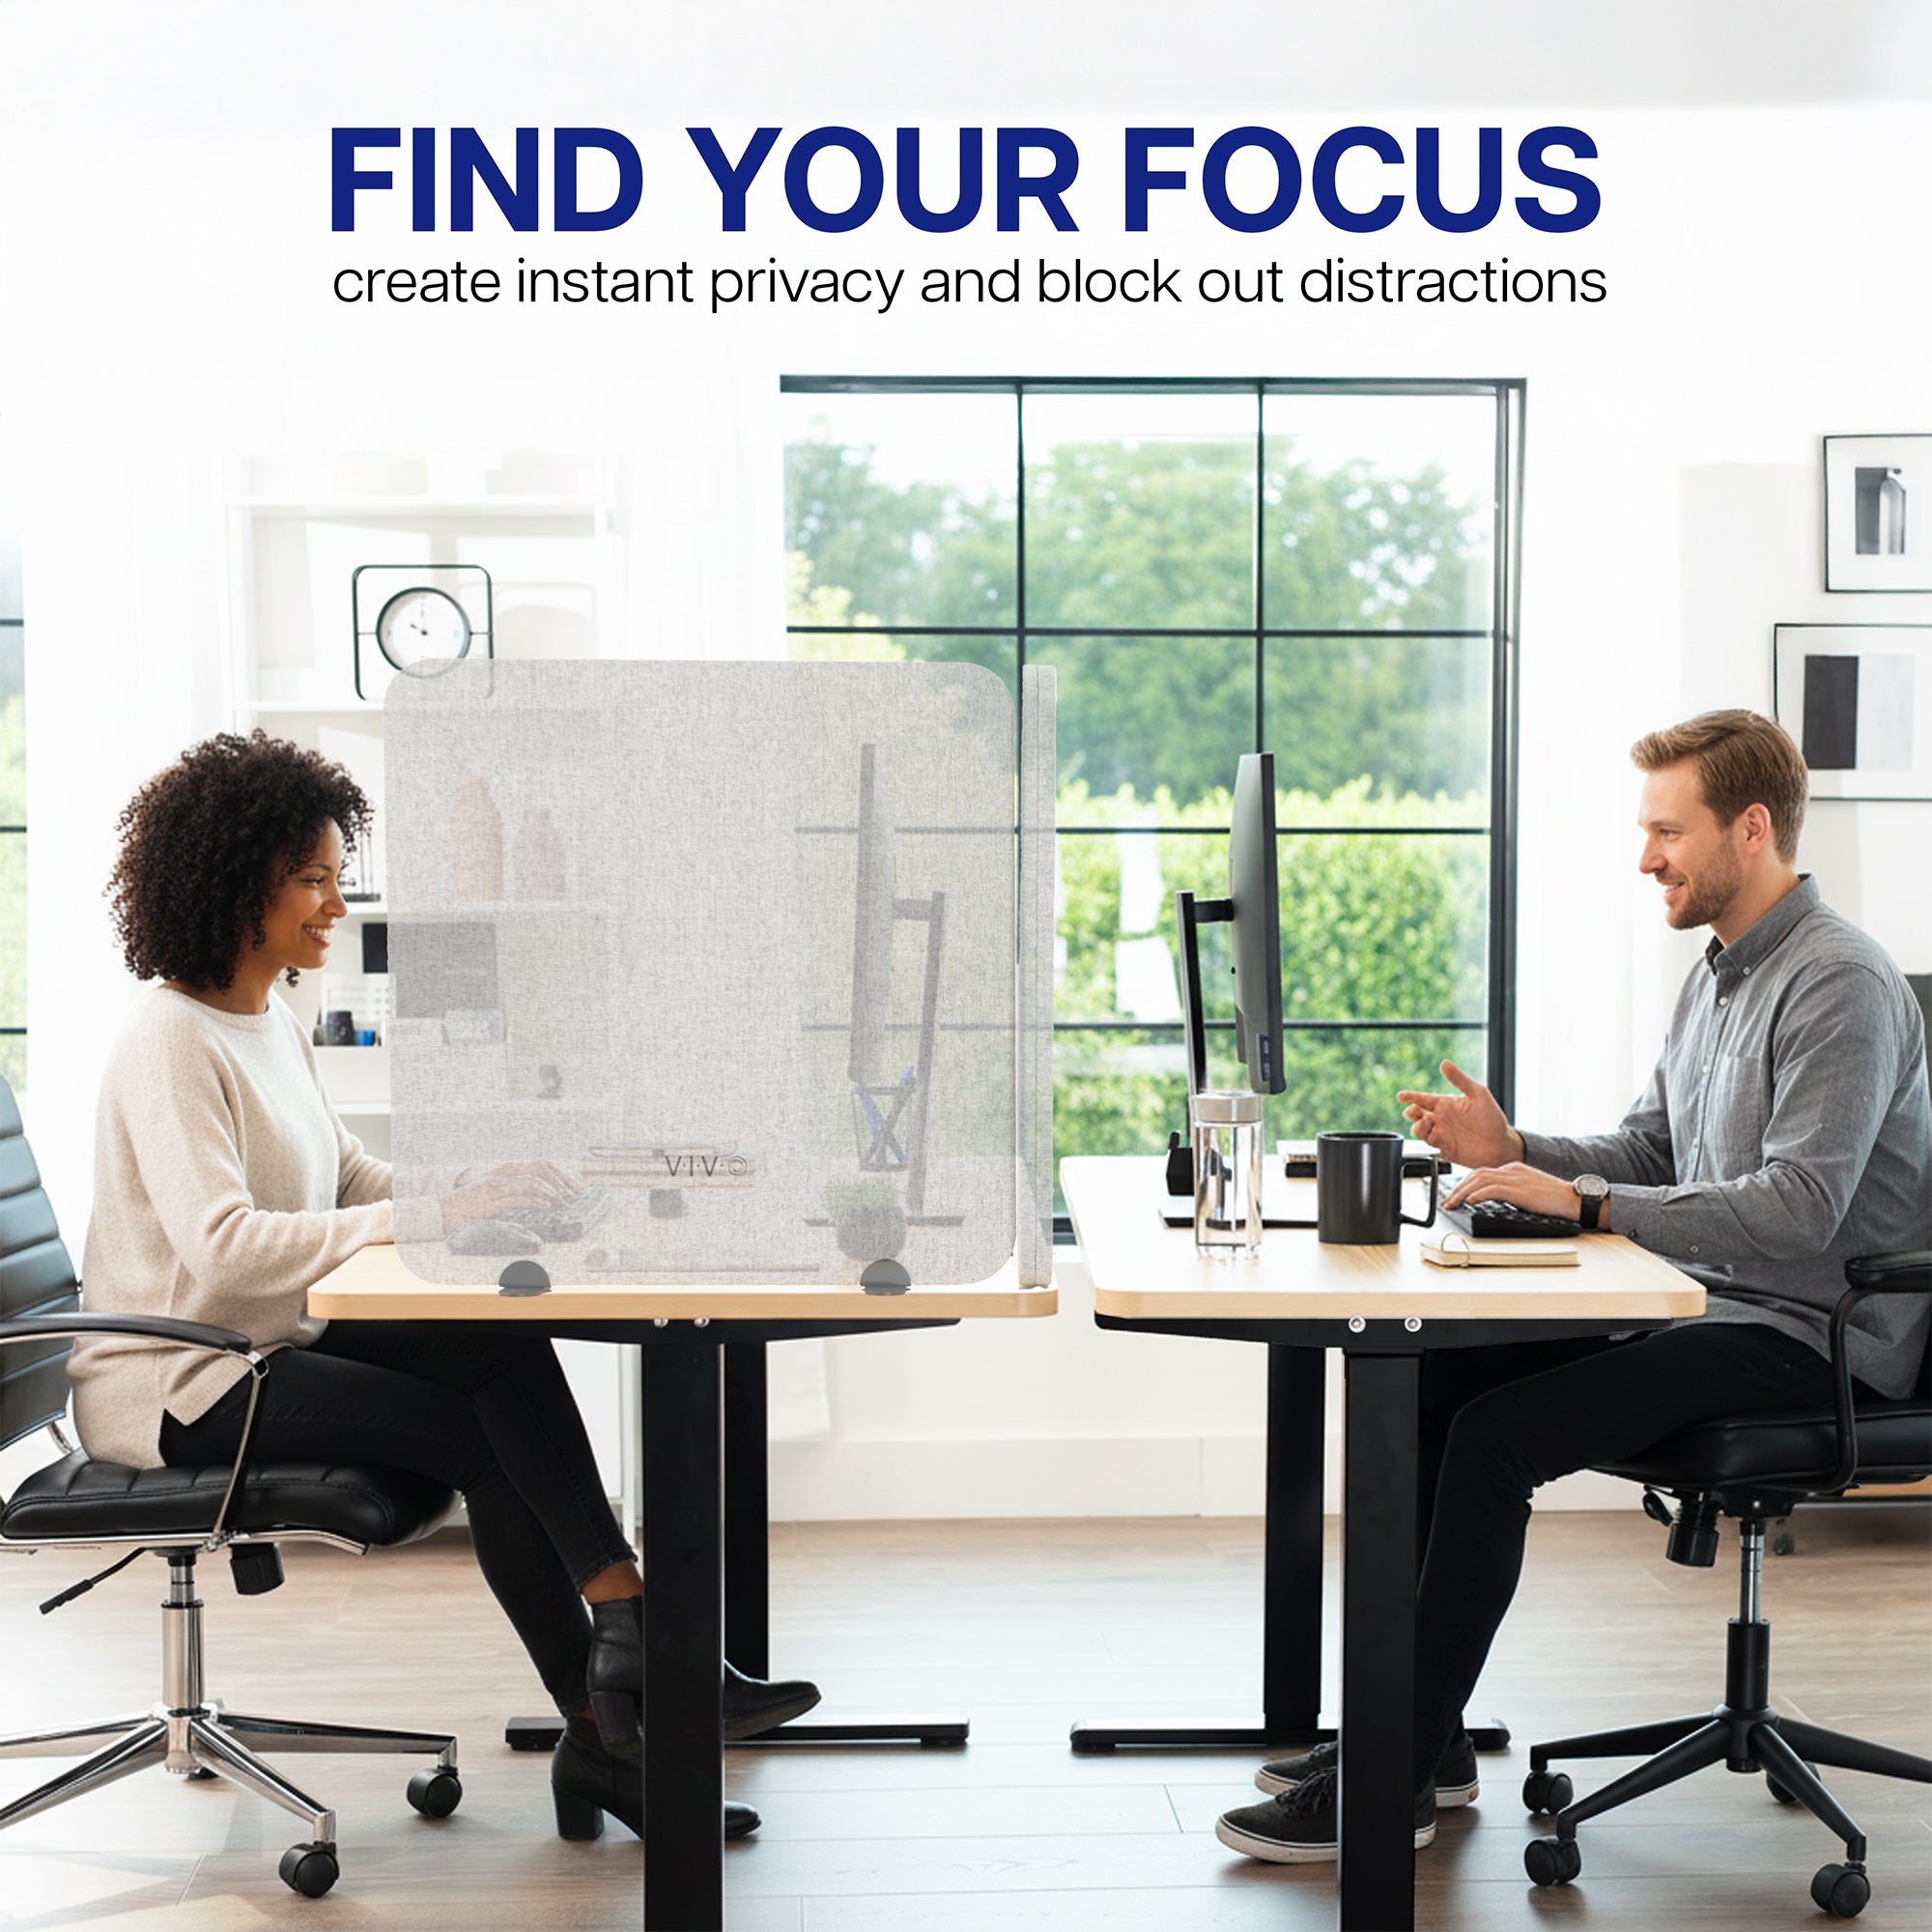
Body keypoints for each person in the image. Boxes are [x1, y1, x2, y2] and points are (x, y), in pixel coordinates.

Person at [68, 729, 819, 1844]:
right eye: (311, 878)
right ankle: (624, 1698)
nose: (335, 901)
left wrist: (472, 1186)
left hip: (261, 1339)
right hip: (182, 1377)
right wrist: (435, 1215)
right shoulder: (173, 1038)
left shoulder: (267, 1013)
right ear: (239, 883)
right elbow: (224, 1246)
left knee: (493, 1343)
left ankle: (623, 1674)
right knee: (473, 1430)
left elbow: (342, 1173)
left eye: (337, 873)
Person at [1216, 708, 1932, 1863]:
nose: (1645, 855)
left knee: (1500, 1434)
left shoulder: (1834, 983)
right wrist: (1523, 1146)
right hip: (1711, 1301)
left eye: (1666, 829)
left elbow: (1797, 1204)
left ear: (1749, 830)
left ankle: (1388, 1778)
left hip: (1812, 1334)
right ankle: (1423, 1734)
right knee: (1432, 1382)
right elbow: (1655, 1150)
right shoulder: (1716, 975)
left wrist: (1584, 1203)